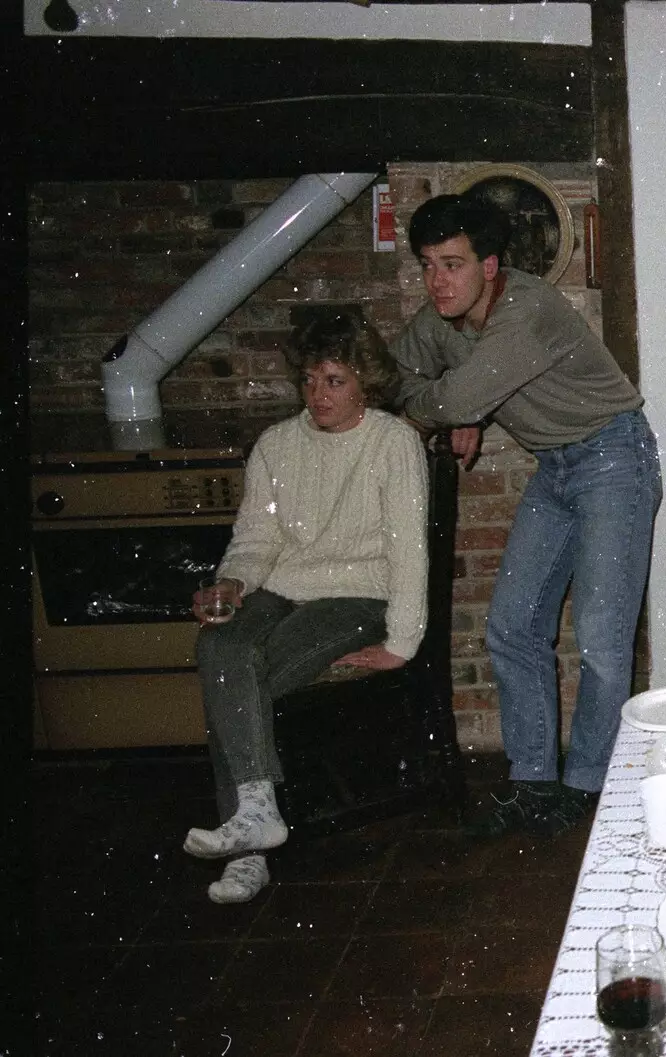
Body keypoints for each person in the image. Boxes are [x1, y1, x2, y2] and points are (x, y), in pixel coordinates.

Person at [389, 194, 662, 839]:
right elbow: (397, 370)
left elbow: (454, 393)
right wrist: (464, 408)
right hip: (556, 467)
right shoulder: (443, 318)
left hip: (613, 458)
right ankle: (534, 778)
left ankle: (588, 784)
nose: (438, 283)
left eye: (452, 265)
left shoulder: (527, 308)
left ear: (491, 266)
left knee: (600, 637)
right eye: (428, 266)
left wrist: (464, 407)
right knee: (512, 626)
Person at [185, 310, 428, 904]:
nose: (318, 394)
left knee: (237, 686)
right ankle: (258, 810)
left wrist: (402, 640)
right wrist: (232, 584)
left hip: (359, 595)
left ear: (364, 381)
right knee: (219, 648)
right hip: (280, 587)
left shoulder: (392, 442)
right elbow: (255, 541)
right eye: (309, 381)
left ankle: (248, 853)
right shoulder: (276, 445)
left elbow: (408, 549)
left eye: (335, 380)